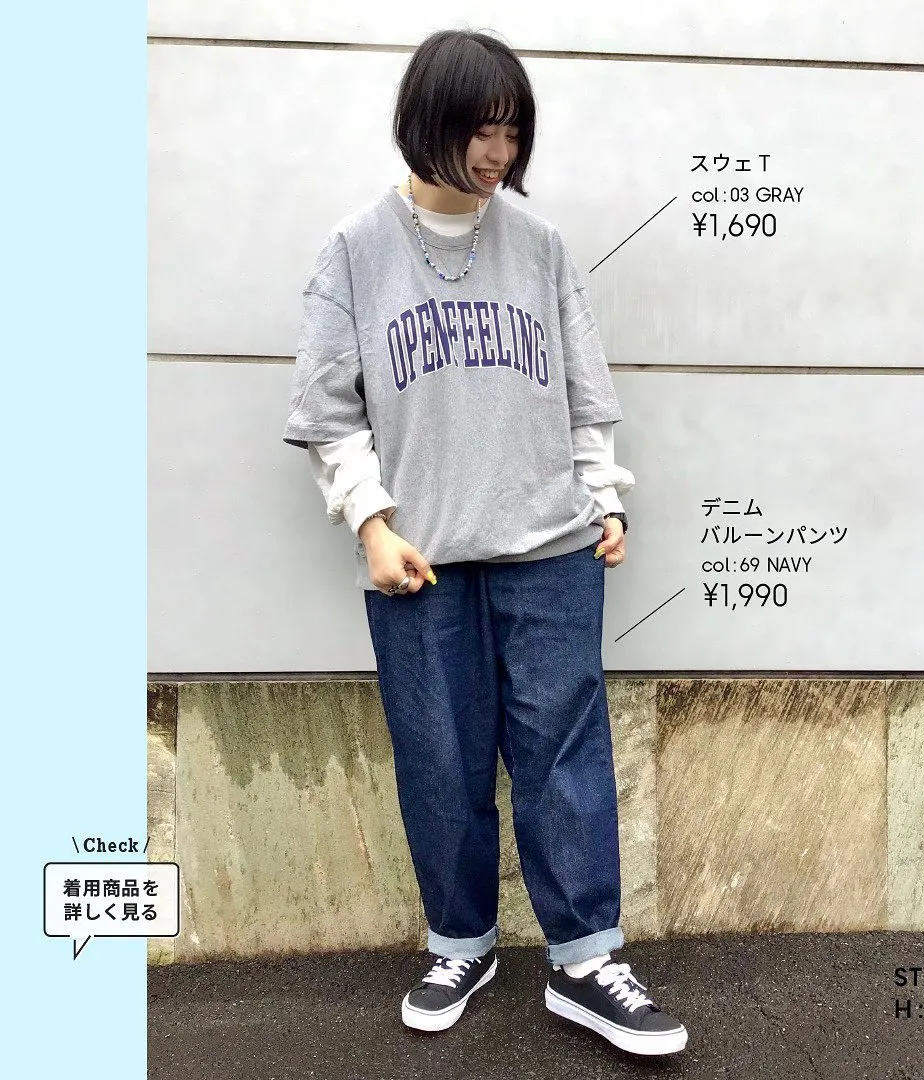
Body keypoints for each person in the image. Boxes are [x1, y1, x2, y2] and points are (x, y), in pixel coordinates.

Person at [282, 28, 687, 1057]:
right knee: (440, 759)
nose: (499, 152)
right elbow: (328, 412)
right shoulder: (354, 251)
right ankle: (460, 944)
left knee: (564, 757)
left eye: (512, 131)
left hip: (551, 550)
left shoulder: (541, 247)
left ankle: (586, 960)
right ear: (428, 122)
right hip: (420, 561)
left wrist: (604, 498)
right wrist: (371, 523)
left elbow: (587, 394)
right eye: (480, 129)